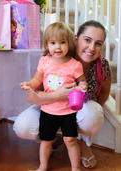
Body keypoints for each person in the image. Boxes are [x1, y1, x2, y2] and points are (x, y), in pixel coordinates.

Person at [14, 20, 111, 169]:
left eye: (98, 43)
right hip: (49, 108)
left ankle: (84, 144)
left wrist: (84, 95)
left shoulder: (98, 64)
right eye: (87, 40)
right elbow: (32, 95)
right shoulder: (54, 57)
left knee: (93, 113)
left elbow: (104, 92)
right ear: (76, 38)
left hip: (73, 110)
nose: (92, 48)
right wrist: (57, 95)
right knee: (22, 126)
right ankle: (51, 141)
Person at [20, 22, 87, 171]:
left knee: (70, 140)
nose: (58, 47)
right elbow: (37, 80)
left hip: (68, 111)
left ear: (69, 43)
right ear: (47, 45)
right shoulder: (44, 61)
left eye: (62, 42)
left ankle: (76, 168)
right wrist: (29, 84)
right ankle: (43, 166)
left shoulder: (75, 64)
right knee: (46, 140)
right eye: (53, 43)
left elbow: (82, 81)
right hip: (48, 111)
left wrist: (81, 86)